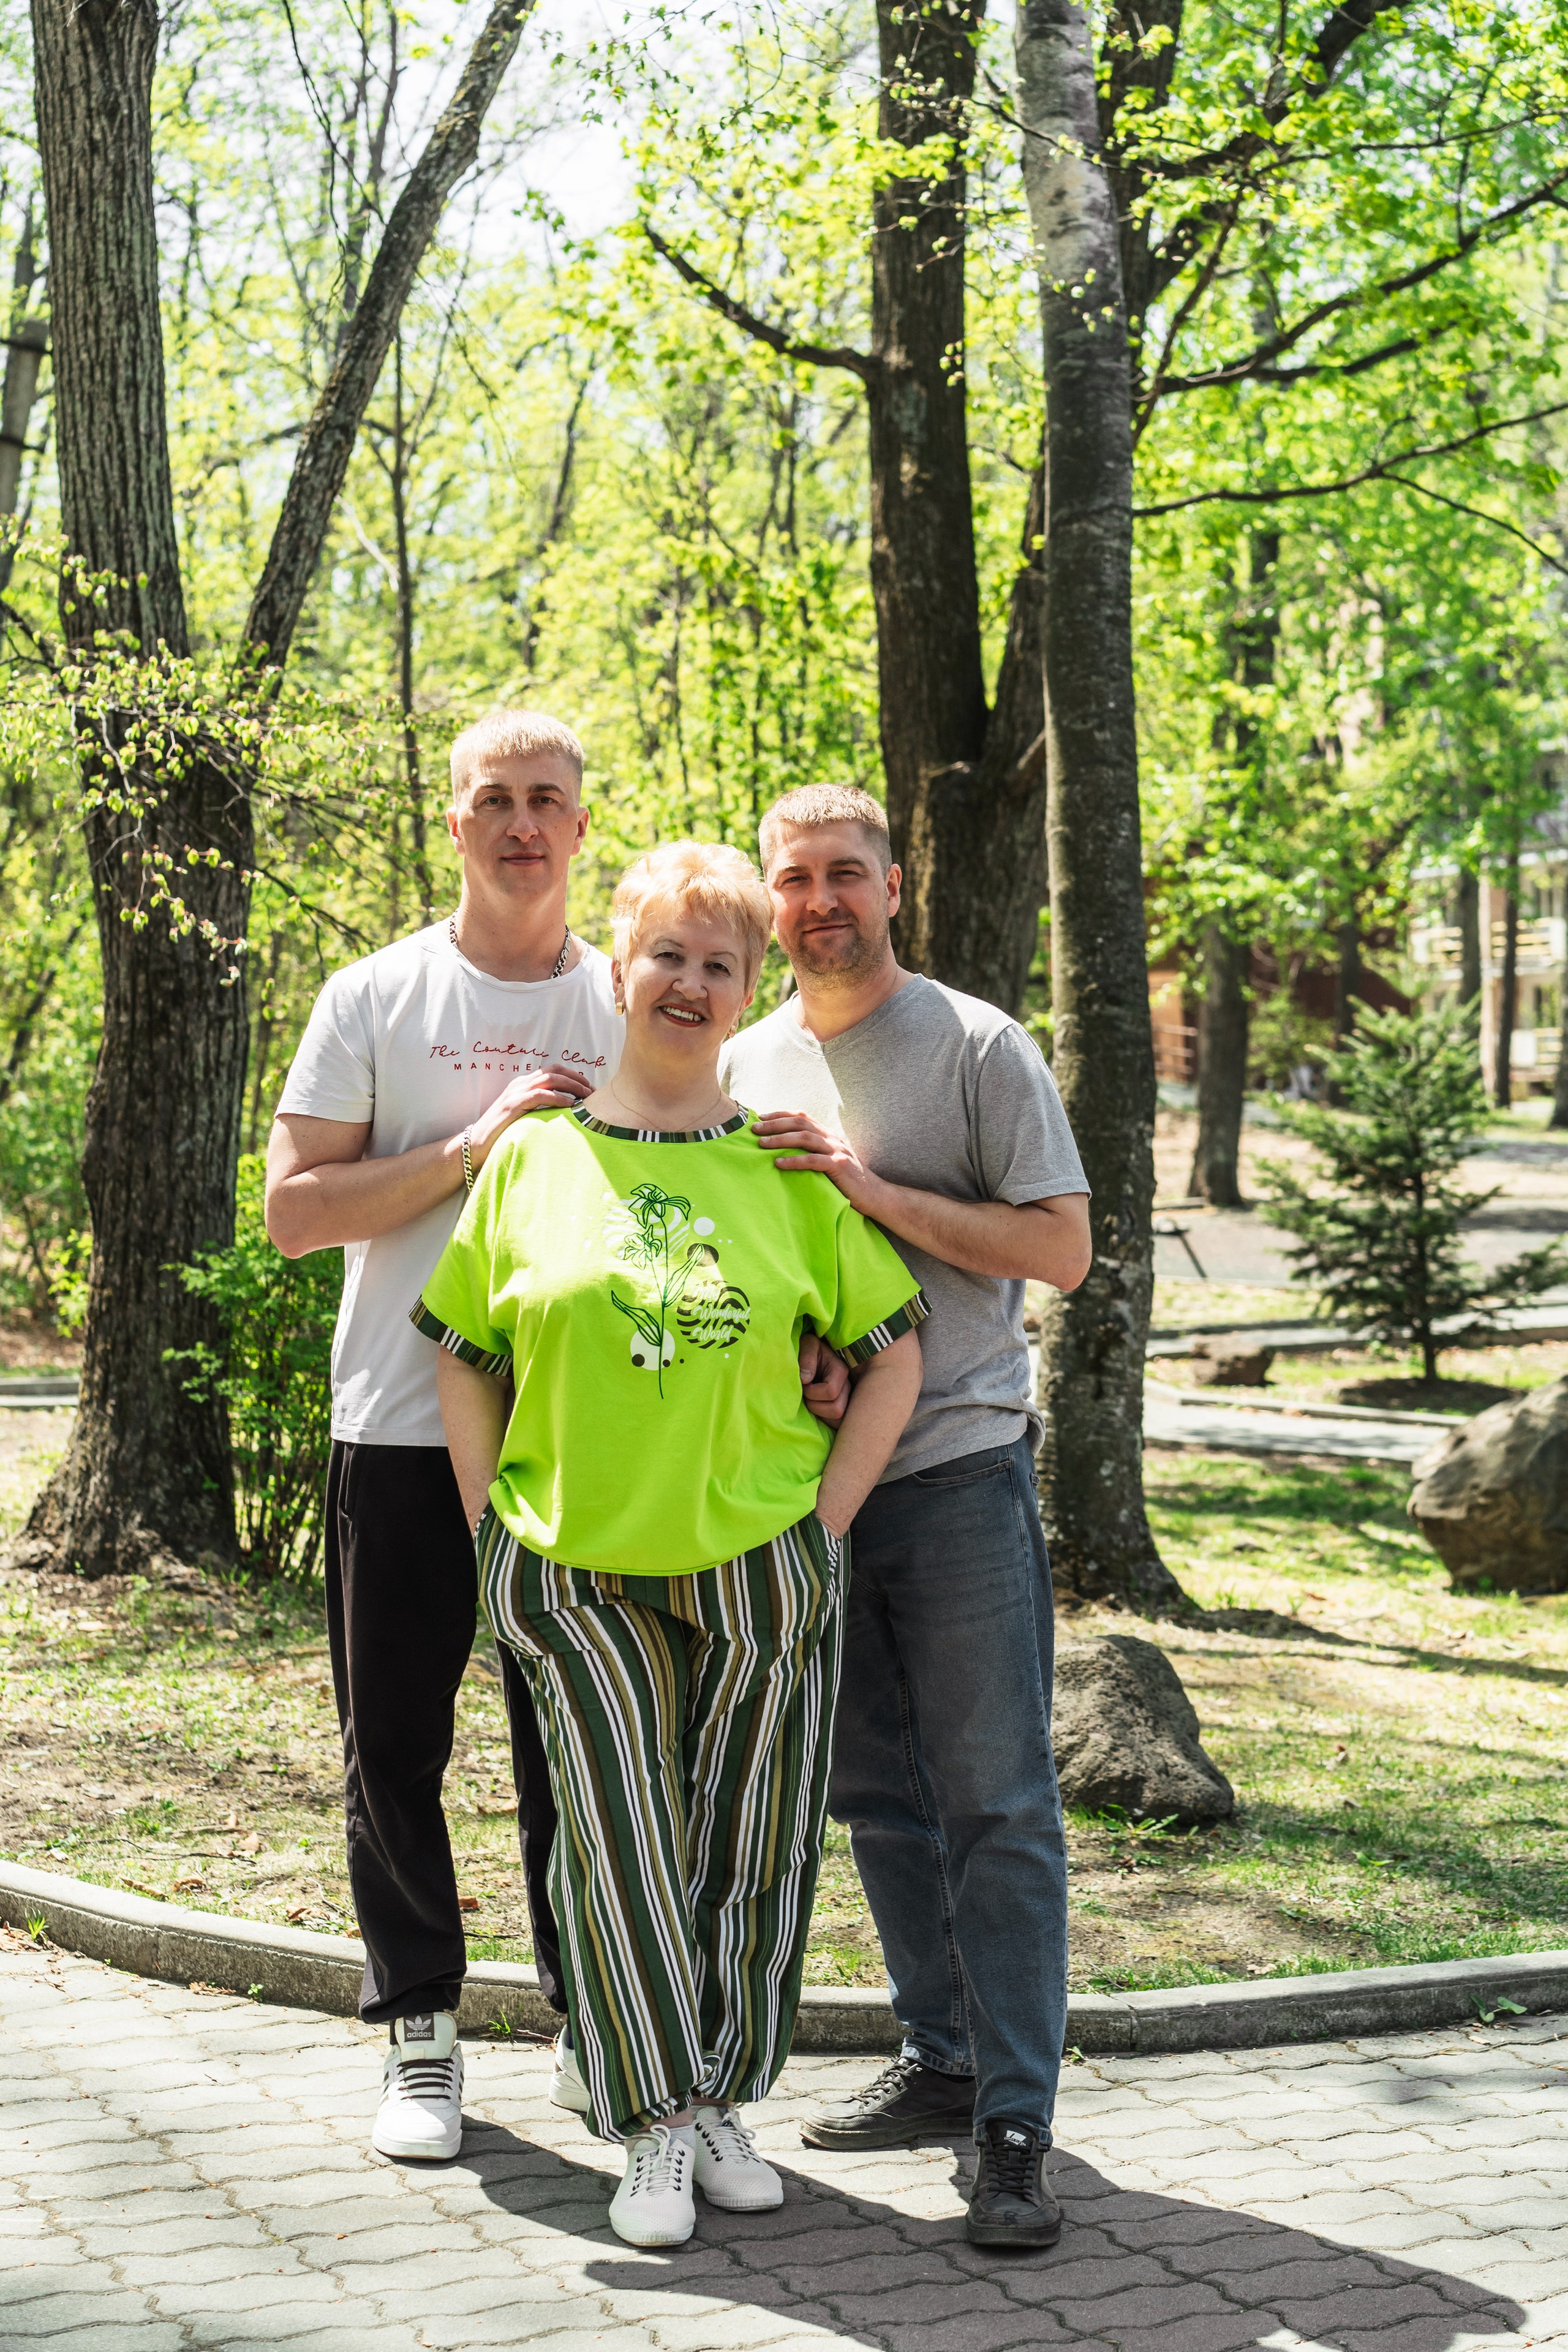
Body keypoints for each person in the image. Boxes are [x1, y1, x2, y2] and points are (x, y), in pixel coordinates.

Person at [419, 839, 925, 2248]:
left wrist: (824, 1530)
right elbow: (463, 1351)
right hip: (572, 1564)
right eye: (667, 956)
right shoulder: (533, 1158)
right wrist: (484, 1527)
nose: (690, 984)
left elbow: (894, 1354)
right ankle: (646, 2121)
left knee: (749, 1845)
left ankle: (714, 2094)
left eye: (720, 964)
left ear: (745, 985)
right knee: (620, 1842)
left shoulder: (784, 1168)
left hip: (762, 1558)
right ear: (620, 969)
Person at [722, 782, 1092, 2253]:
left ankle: (1016, 2122)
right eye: (794, 878)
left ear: (892, 886)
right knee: (872, 1793)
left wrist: (870, 1192)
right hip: (812, 1486)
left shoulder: (974, 1043)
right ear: (769, 897)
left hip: (955, 1471)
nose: (819, 900)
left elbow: (1058, 1248)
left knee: (995, 1800)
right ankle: (940, 2060)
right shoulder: (742, 1055)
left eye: (845, 875)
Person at [265, 709, 620, 2162]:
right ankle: (420, 2029)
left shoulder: (633, 994)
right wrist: (482, 1145)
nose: (522, 824)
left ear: (581, 828)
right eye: (495, 800)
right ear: (455, 824)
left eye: (547, 800)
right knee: (393, 1744)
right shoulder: (374, 994)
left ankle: (589, 2027)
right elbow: (296, 1214)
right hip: (400, 1430)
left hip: (592, 1440)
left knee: (576, 1746)